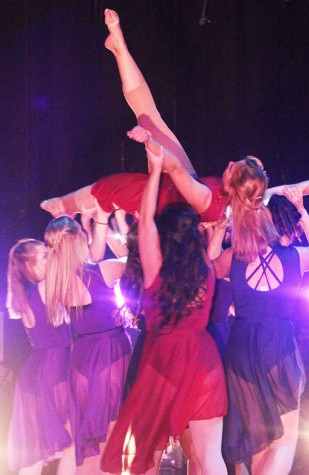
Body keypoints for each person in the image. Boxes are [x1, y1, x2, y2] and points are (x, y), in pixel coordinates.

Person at [39, 9, 309, 225]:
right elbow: (299, 188)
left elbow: (173, 170)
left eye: (234, 166)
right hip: (177, 183)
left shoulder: (209, 199)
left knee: (106, 187)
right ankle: (119, 47)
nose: (230, 164)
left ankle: (60, 205)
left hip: (163, 200)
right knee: (149, 115)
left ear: (233, 180)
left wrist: (149, 142)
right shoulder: (252, 199)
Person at [101, 145, 228, 475]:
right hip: (203, 358)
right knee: (210, 454)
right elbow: (209, 239)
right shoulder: (205, 266)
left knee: (145, 451)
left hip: (163, 360)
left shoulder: (155, 269)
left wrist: (156, 171)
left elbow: (145, 228)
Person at [212, 160, 309, 475]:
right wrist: (301, 210)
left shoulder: (233, 258)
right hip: (277, 346)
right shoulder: (295, 258)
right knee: (283, 441)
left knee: (253, 440)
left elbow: (207, 269)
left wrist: (221, 228)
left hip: (241, 349)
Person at [44, 203, 132, 474]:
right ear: (78, 241)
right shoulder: (101, 272)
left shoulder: (56, 282)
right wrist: (115, 221)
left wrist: (99, 226)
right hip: (109, 354)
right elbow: (136, 258)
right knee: (113, 439)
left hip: (81, 358)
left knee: (89, 436)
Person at [6, 239, 75, 475]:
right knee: (71, 440)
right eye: (44, 255)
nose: (51, 258)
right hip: (54, 369)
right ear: (29, 264)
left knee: (36, 448)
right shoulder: (45, 288)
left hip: (35, 370)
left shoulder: (23, 295)